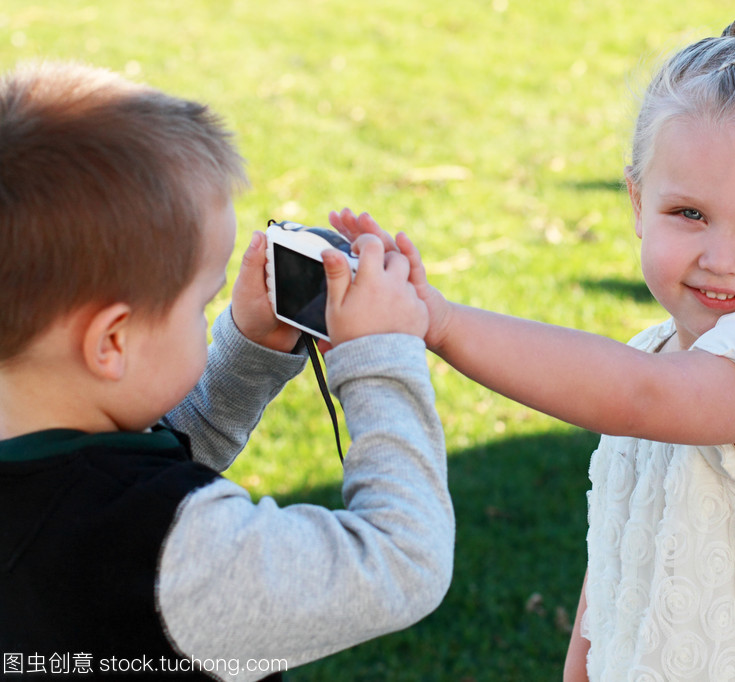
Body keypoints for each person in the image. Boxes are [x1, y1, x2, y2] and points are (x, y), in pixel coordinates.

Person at [337, 4, 735, 680]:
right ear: (636, 201)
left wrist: (437, 321)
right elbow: (619, 558)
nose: (719, 256)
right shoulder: (649, 350)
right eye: (688, 214)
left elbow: (639, 397)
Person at [0, 61, 454, 681]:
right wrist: (379, 354)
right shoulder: (173, 550)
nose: (208, 313)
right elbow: (402, 562)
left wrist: (248, 349)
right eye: (201, 303)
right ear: (111, 340)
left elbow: (144, 459)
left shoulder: (52, 463)